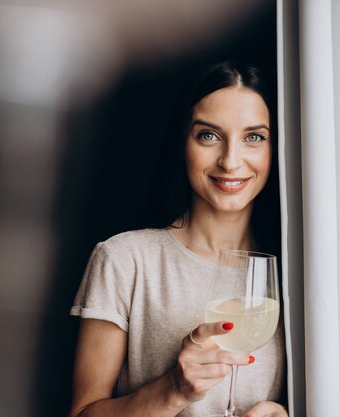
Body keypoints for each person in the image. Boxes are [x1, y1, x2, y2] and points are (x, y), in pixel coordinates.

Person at [69, 61, 287, 417]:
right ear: (183, 143)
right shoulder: (125, 259)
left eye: (254, 137)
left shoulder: (293, 274)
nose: (231, 161)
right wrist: (172, 390)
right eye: (209, 135)